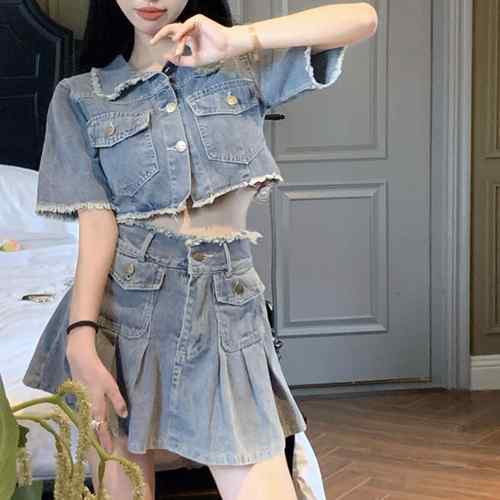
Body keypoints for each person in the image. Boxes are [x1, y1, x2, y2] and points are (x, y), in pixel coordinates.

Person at [22, 1, 377, 499]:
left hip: (226, 309)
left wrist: (235, 40)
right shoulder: (80, 96)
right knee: (122, 488)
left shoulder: (242, 67)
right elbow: (97, 224)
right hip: (122, 315)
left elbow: (362, 18)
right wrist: (80, 338)